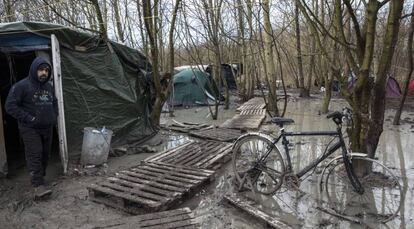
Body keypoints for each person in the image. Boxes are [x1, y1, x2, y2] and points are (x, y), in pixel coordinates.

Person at [5, 56, 58, 199]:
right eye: (41, 69)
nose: (44, 73)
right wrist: (29, 118)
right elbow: (10, 106)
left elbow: (54, 102)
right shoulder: (22, 86)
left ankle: (41, 178)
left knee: (45, 155)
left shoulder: (49, 87)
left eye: (47, 70)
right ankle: (38, 185)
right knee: (35, 154)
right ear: (34, 69)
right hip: (30, 128)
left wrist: (54, 116)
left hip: (47, 127)